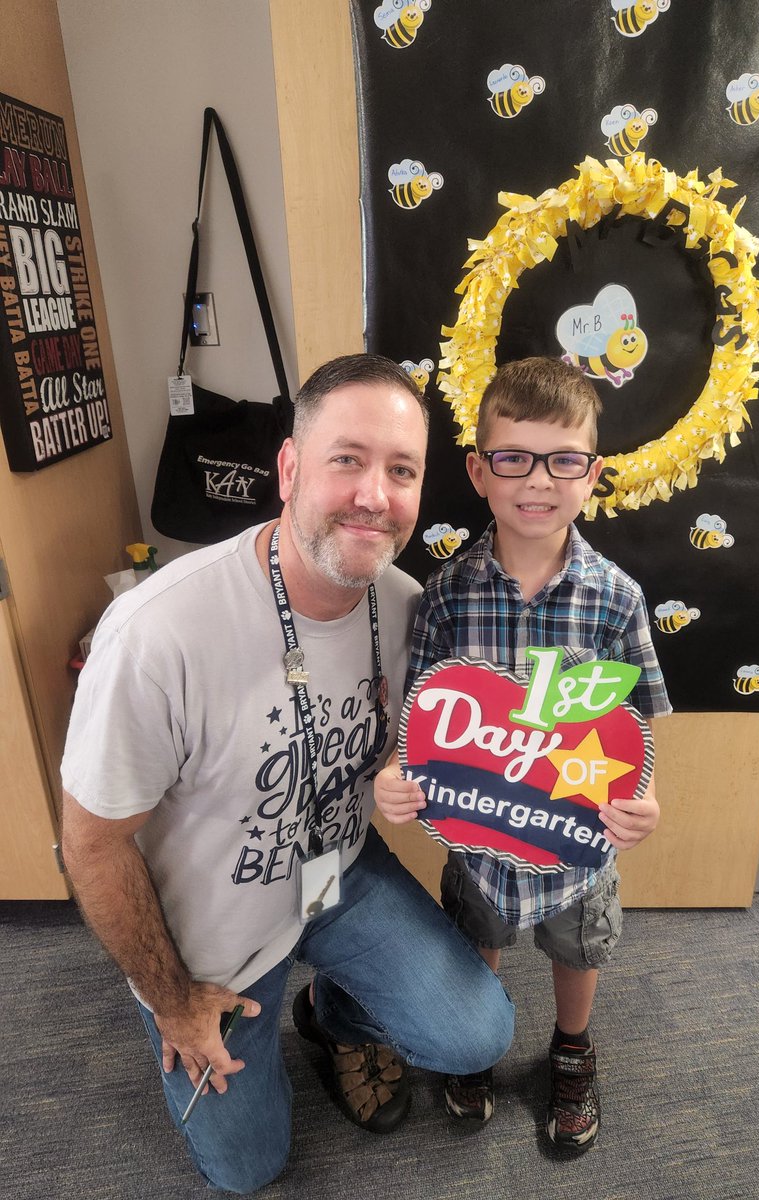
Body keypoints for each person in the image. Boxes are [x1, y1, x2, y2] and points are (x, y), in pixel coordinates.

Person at [61, 354, 514, 1195]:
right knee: (250, 1169)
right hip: (209, 939)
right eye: (348, 459)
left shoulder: (413, 607)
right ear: (290, 469)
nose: (375, 495)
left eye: (402, 470)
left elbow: (432, 747)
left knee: (476, 1035)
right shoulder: (158, 634)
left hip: (330, 872)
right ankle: (218, 1022)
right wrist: (172, 998)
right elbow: (90, 846)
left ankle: (330, 1014)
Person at [375, 356, 671, 1153]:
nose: (537, 482)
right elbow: (421, 722)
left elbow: (636, 727)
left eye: (563, 461)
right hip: (481, 840)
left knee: (580, 945)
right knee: (480, 934)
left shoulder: (615, 598)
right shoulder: (445, 594)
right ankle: (480, 1044)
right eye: (513, 458)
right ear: (479, 469)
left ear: (592, 474)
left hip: (576, 842)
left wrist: (638, 797)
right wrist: (398, 777)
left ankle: (572, 1049)